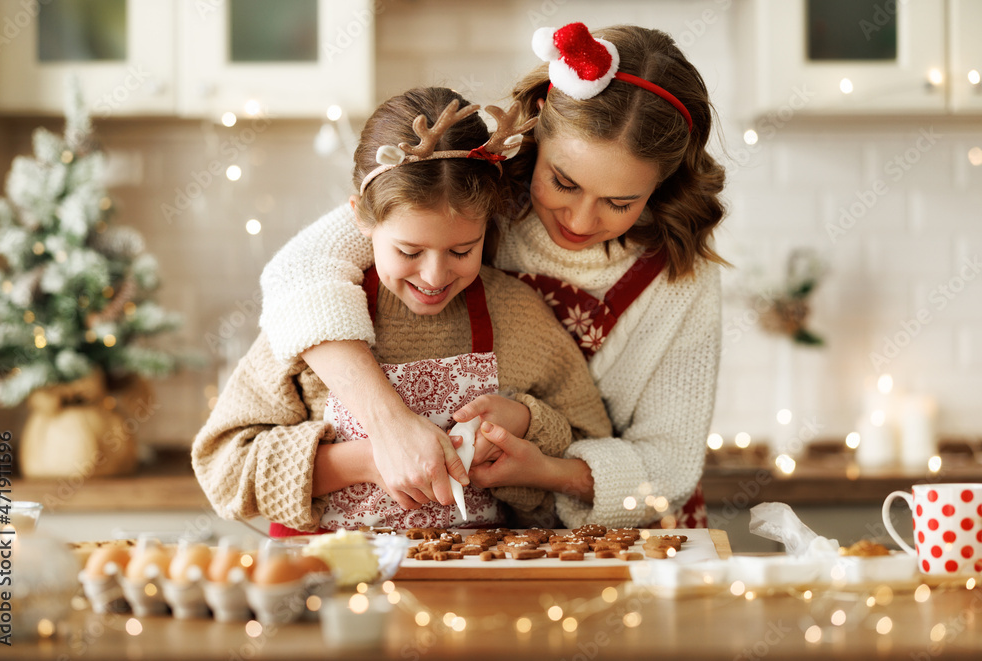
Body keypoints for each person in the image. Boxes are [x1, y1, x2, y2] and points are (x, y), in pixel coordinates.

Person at [257, 23, 727, 529]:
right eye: (563, 182)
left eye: (620, 202)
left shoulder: (681, 278)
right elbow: (300, 273)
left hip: (634, 525)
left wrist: (547, 471)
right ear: (540, 123)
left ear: (663, 181)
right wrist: (386, 424)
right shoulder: (472, 192)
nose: (580, 220)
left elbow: (670, 464)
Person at [192, 87, 611, 534]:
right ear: (362, 219)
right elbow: (221, 467)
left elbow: (591, 443)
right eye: (409, 250)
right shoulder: (315, 319)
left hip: (477, 588)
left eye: (462, 250)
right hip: (332, 587)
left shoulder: (518, 315)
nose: (434, 276)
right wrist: (367, 460)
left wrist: (526, 422)